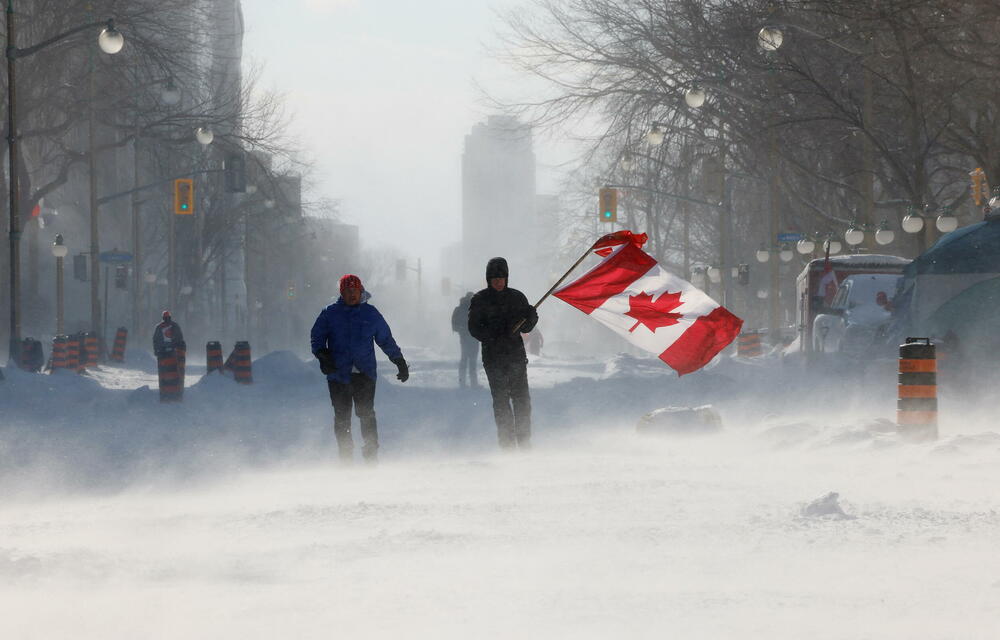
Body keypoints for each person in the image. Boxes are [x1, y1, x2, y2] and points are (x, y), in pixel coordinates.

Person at [310, 274, 408, 464]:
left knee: (366, 414)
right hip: (338, 375)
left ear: (361, 291)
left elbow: (385, 339)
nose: (351, 295)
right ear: (341, 293)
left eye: (354, 291)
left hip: (365, 374)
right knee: (342, 418)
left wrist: (399, 360)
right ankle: (345, 456)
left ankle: (371, 453)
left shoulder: (371, 314)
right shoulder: (330, 314)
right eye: (347, 291)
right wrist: (322, 355)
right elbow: (317, 336)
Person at [468, 257, 538, 449]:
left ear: (507, 278)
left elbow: (527, 328)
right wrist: (493, 335)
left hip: (516, 356)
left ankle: (524, 442)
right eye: (494, 278)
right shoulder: (480, 300)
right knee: (501, 402)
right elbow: (473, 328)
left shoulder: (517, 298)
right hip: (493, 359)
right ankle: (507, 444)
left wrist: (532, 318)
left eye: (502, 277)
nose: (498, 281)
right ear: (488, 279)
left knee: (522, 400)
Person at [451, 291, 479, 388]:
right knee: (472, 361)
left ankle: (462, 382)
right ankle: (473, 384)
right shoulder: (475, 309)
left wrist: (461, 330)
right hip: (473, 338)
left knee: (464, 359)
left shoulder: (459, 309)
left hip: (464, 338)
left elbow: (454, 325)